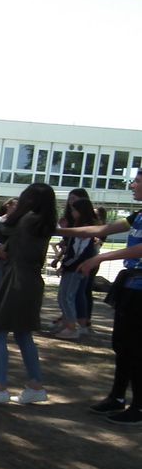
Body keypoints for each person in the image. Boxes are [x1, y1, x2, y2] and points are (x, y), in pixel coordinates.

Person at [57, 169, 142, 427]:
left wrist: (100, 257)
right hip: (131, 287)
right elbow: (99, 228)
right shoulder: (137, 215)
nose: (133, 184)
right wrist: (55, 230)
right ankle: (116, 397)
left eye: (138, 181)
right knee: (122, 344)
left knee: (137, 347)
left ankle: (138, 407)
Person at [0, 183, 57, 405]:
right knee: (22, 334)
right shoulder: (42, 221)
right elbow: (10, 236)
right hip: (31, 281)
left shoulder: (28, 220)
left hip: (17, 280)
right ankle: (35, 385)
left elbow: (8, 239)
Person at [51, 198, 98, 340]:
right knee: (63, 297)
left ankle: (71, 327)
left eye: (74, 210)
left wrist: (66, 265)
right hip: (72, 266)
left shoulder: (85, 228)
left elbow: (79, 252)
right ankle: (67, 324)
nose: (72, 213)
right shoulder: (79, 226)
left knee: (67, 297)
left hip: (76, 268)